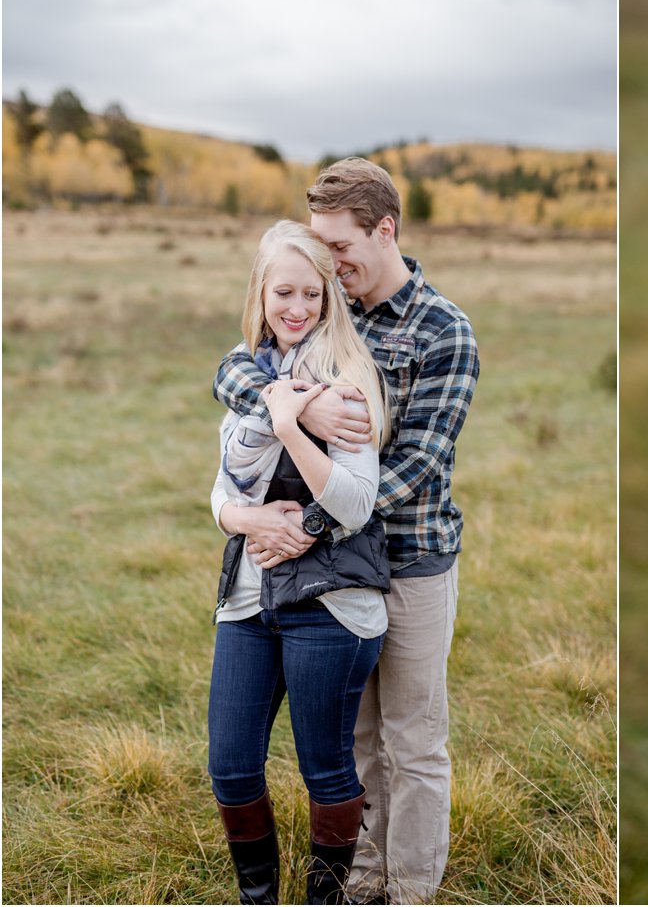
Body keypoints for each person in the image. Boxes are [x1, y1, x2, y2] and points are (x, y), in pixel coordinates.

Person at [214, 158, 479, 904]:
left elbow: (418, 464)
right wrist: (288, 404)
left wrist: (306, 525)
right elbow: (234, 368)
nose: (328, 265)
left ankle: (413, 886)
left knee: (413, 737)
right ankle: (360, 878)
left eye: (338, 247)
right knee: (353, 738)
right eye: (319, 249)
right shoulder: (330, 308)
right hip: (336, 576)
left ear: (384, 229)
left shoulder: (442, 329)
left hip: (412, 558)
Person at [209, 219, 390, 904]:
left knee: (325, 767)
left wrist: (292, 424)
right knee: (230, 764)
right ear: (260, 292)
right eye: (283, 291)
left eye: (311, 295)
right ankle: (258, 896)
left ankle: (323, 900)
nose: (296, 308)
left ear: (327, 300)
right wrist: (246, 516)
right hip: (250, 595)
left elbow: (351, 503)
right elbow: (222, 489)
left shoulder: (346, 380)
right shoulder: (247, 373)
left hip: (331, 604)